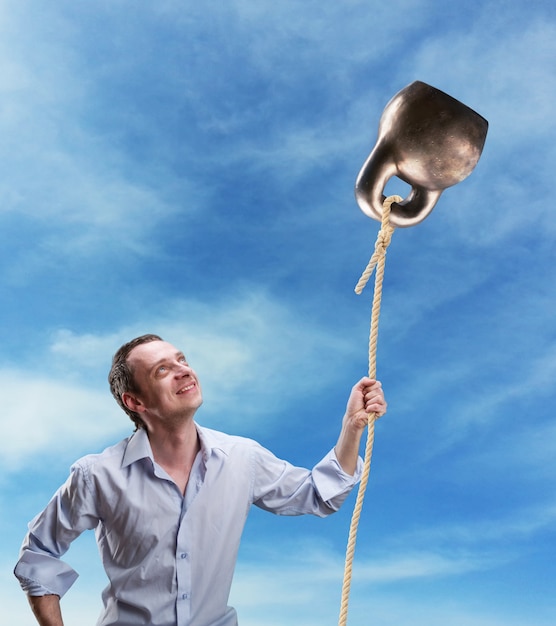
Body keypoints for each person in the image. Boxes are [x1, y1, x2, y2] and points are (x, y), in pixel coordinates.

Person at [14, 334, 387, 626]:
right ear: (135, 402)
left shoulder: (243, 457)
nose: (184, 370)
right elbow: (38, 555)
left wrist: (350, 428)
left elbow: (317, 495)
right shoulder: (97, 475)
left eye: (182, 360)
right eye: (162, 370)